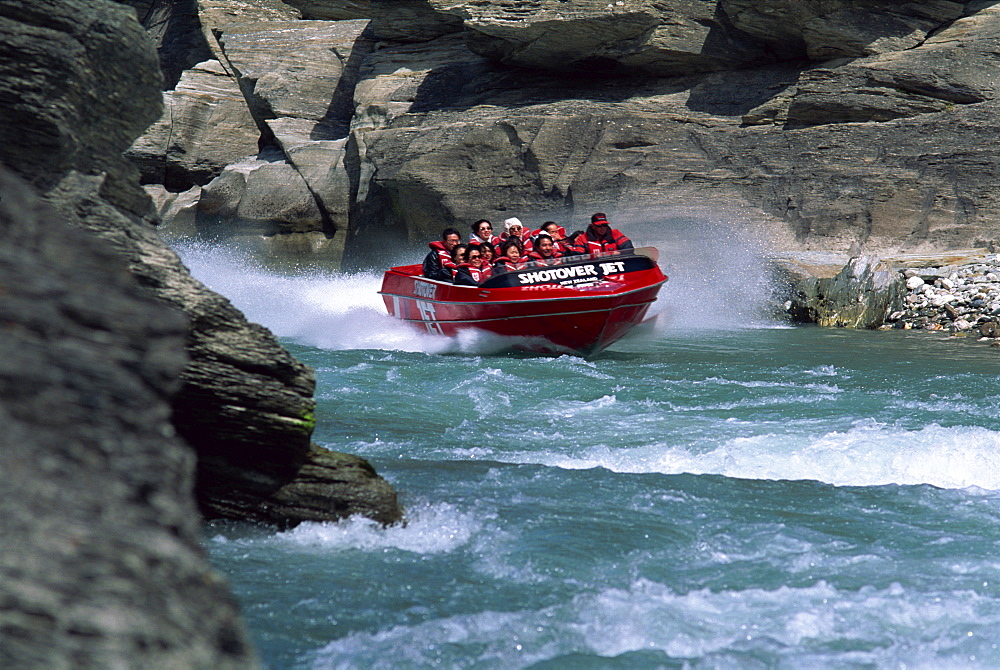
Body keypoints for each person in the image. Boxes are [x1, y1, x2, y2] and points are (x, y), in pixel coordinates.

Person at [566, 212, 633, 256]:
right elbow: (577, 255)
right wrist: (593, 256)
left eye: (605, 225)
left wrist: (617, 253)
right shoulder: (583, 238)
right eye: (599, 226)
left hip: (617, 263)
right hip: (595, 266)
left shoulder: (615, 233)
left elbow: (629, 248)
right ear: (593, 226)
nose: (603, 228)